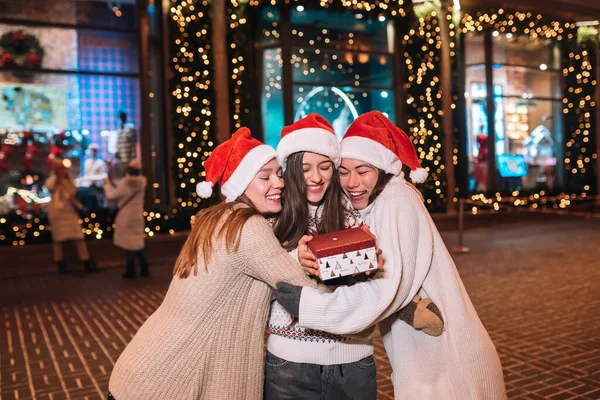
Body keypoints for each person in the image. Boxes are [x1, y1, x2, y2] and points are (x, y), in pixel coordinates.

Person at [274, 111, 506, 399]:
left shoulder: (398, 200)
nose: (352, 182)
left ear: (383, 170)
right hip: (421, 355)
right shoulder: (370, 207)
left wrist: (310, 307)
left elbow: (389, 288)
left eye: (363, 171)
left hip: (447, 357)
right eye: (344, 172)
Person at [107, 128, 318, 400]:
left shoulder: (216, 218)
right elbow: (304, 290)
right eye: (265, 176)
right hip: (168, 381)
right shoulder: (248, 227)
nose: (278, 183)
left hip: (144, 367)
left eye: (279, 174)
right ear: (240, 184)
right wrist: (352, 274)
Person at [265, 114, 444, 400]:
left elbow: (378, 278)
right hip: (290, 363)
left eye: (325, 167)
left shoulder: (354, 210)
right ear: (290, 169)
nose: (316, 177)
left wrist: (371, 264)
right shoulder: (274, 214)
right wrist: (294, 259)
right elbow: (258, 281)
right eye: (306, 168)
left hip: (354, 360)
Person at [45, 158, 97, 273]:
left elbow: (73, 192)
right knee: (58, 240)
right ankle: (60, 263)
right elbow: (50, 187)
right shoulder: (52, 180)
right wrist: (56, 178)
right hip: (57, 214)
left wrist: (65, 182)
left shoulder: (68, 181)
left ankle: (86, 261)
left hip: (69, 212)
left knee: (78, 238)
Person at [104, 159, 148, 279]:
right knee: (137, 242)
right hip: (137, 216)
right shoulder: (141, 183)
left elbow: (111, 196)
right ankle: (144, 268)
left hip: (126, 216)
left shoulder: (126, 183)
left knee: (128, 243)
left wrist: (108, 185)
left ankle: (131, 269)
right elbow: (125, 192)